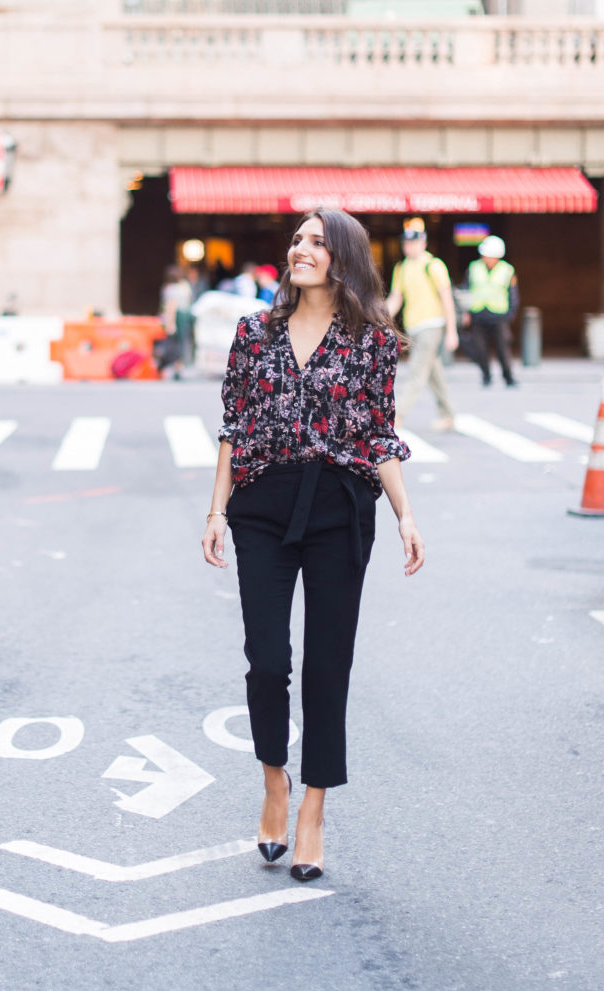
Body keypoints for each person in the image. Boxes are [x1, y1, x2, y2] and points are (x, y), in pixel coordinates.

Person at [202, 208, 424, 882]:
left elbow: (376, 434)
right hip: (262, 506)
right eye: (298, 239)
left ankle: (313, 809)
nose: (301, 249)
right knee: (267, 660)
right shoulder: (253, 333)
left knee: (328, 666)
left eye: (318, 242)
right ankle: (275, 782)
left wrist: (405, 515)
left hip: (339, 507)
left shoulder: (371, 343)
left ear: (343, 259)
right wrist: (215, 509)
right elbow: (234, 427)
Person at [386, 222, 458, 431]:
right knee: (433, 372)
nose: (409, 246)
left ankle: (397, 416)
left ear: (423, 242)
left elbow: (446, 299)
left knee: (417, 370)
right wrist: (377, 318)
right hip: (414, 327)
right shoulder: (402, 267)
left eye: (414, 242)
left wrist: (451, 331)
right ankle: (448, 414)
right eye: (406, 243)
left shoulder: (433, 265)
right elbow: (396, 298)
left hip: (432, 325)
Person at [462, 235, 520, 387]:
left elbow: (513, 294)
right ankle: (486, 376)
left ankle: (508, 377)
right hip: (478, 313)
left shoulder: (507, 270)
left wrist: (510, 314)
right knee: (480, 349)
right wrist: (466, 312)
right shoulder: (473, 267)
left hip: (498, 315)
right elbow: (467, 290)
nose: (486, 258)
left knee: (503, 349)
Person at [158, 265, 192, 379]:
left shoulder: (170, 289)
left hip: (176, 317)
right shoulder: (184, 287)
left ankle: (170, 365)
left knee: (173, 344)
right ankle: (179, 366)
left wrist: (170, 323)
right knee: (182, 343)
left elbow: (171, 307)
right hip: (184, 317)